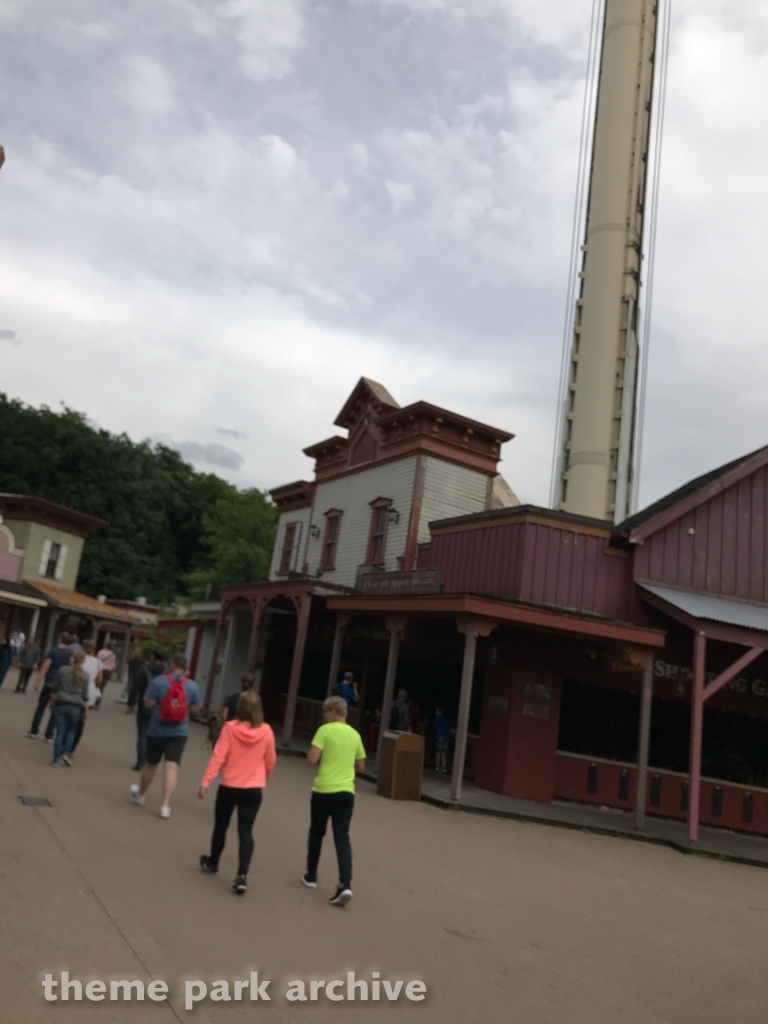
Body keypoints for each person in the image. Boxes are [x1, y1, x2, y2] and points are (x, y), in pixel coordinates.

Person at [198, 691, 276, 895]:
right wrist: (264, 776)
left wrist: (206, 781)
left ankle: (213, 862)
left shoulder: (230, 729)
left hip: (229, 785)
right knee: (245, 831)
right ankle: (242, 875)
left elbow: (218, 756)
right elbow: (270, 760)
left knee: (221, 826)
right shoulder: (266, 731)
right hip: (253, 788)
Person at [301, 695, 366, 907]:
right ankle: (345, 883)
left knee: (317, 832)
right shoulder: (355, 735)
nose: (324, 716)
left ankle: (311, 875)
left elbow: (312, 759)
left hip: (324, 789)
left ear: (332, 712)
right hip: (346, 791)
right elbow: (361, 767)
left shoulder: (324, 731)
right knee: (342, 837)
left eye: (325, 712)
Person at [129, 652, 201, 819]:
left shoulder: (160, 681)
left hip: (157, 729)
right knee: (171, 767)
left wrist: (161, 704)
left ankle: (141, 794)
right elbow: (197, 707)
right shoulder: (191, 685)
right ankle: (165, 805)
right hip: (179, 732)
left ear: (172, 665)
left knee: (151, 764)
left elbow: (147, 702)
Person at [48, 649, 89, 766]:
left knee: (60, 732)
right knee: (71, 731)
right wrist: (86, 709)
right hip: (76, 706)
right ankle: (66, 752)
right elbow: (85, 695)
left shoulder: (63, 670)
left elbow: (55, 688)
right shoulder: (85, 676)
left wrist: (52, 702)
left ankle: (55, 759)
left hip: (61, 703)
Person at [27, 632, 72, 738]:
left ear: (60, 639)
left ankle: (34, 730)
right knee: (55, 710)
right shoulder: (70, 653)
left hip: (49, 682)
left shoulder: (53, 650)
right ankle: (49, 734)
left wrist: (39, 679)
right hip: (60, 686)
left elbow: (46, 665)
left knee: (41, 706)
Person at [70, 640, 102, 757]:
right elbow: (99, 680)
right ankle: (72, 748)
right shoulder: (98, 662)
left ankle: (66, 742)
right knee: (81, 722)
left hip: (75, 690)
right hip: (90, 693)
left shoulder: (76, 658)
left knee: (70, 719)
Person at [127, 649, 156, 771]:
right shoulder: (166, 672)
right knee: (153, 735)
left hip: (144, 704)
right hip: (159, 707)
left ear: (152, 656)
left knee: (142, 734)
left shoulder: (144, 669)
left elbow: (135, 687)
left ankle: (141, 762)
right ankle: (151, 761)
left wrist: (131, 703)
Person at [431, 707, 454, 774]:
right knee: (443, 752)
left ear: (440, 711)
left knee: (438, 752)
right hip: (445, 737)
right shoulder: (446, 719)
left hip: (439, 736)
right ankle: (443, 767)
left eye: (437, 711)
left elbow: (434, 728)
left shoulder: (437, 719)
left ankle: (437, 766)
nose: (436, 713)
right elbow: (453, 724)